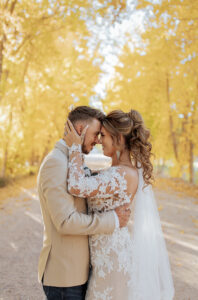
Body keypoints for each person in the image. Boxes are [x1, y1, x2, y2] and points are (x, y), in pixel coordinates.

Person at [64, 109, 175, 300]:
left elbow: (76, 186)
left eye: (104, 135)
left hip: (112, 260)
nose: (99, 140)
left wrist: (75, 147)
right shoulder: (117, 170)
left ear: (119, 138)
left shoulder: (123, 174)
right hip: (104, 257)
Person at [37, 106, 131, 300]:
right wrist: (112, 219)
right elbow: (65, 222)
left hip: (78, 272)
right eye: (96, 134)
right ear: (80, 129)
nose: (97, 140)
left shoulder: (71, 160)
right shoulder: (56, 163)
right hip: (65, 276)